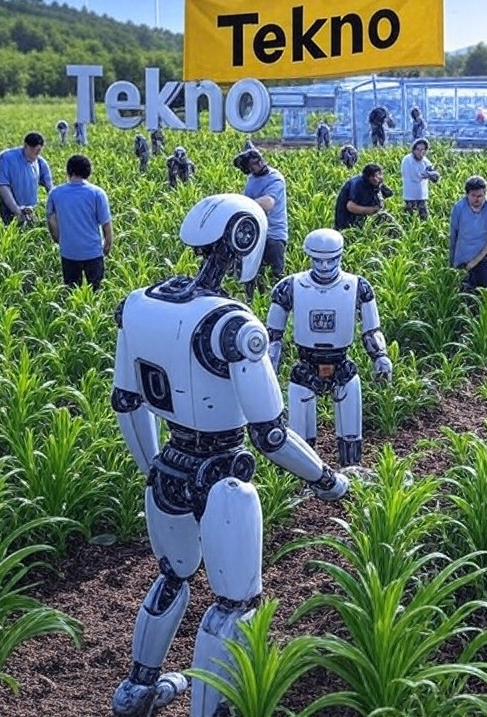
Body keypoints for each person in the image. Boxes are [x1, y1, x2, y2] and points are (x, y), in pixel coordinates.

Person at [110, 193, 351, 717]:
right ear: (246, 241)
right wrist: (327, 479)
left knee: (172, 576)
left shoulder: (139, 302)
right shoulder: (232, 326)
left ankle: (136, 689)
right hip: (224, 474)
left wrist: (150, 466)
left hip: (168, 465)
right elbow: (270, 434)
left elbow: (126, 402)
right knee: (235, 602)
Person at [266, 228, 393, 467]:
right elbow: (273, 335)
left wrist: (380, 355)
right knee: (300, 431)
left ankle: (351, 466)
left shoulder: (357, 286)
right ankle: (303, 471)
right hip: (305, 365)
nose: (324, 266)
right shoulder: (291, 286)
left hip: (341, 363)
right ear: (310, 257)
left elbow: (371, 329)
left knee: (350, 425)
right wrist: (269, 366)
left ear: (340, 256)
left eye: (331, 260)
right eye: (318, 260)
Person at [45, 154, 113, 291]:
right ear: (88, 171)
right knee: (96, 291)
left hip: (68, 251)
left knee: (72, 291)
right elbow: (106, 223)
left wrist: (59, 239)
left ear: (69, 171)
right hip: (93, 251)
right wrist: (107, 245)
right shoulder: (97, 193)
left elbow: (51, 219)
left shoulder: (55, 193)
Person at [233, 146, 288, 301]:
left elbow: (268, 203)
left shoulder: (275, 179)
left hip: (273, 236)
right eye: (251, 166)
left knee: (275, 279)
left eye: (257, 162)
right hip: (255, 236)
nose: (256, 165)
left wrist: (242, 205)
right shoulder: (252, 179)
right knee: (251, 278)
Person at [449, 175, 487, 292]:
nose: (476, 199)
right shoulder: (459, 208)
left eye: (480, 196)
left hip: (485, 256)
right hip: (463, 256)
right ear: (467, 194)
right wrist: (452, 261)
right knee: (464, 293)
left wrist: (474, 262)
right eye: (473, 196)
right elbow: (453, 235)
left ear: (485, 194)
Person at [0, 131, 53, 226]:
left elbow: (50, 188)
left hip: (31, 211)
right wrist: (16, 210)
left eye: (39, 151)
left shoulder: (40, 162)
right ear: (26, 146)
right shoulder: (7, 158)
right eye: (34, 151)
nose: (36, 154)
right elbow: (3, 186)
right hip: (9, 210)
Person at [333, 163, 393, 231]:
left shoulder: (376, 183)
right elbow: (351, 206)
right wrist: (373, 210)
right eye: (373, 176)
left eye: (379, 174)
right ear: (367, 177)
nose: (377, 178)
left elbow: (388, 194)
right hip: (348, 221)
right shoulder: (358, 185)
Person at [400, 138, 440, 220]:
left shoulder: (425, 161)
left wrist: (432, 174)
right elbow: (415, 176)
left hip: (422, 195)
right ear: (414, 149)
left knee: (424, 217)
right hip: (410, 195)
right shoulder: (408, 160)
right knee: (409, 218)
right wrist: (428, 175)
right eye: (418, 149)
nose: (420, 152)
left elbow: (434, 175)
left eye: (422, 150)